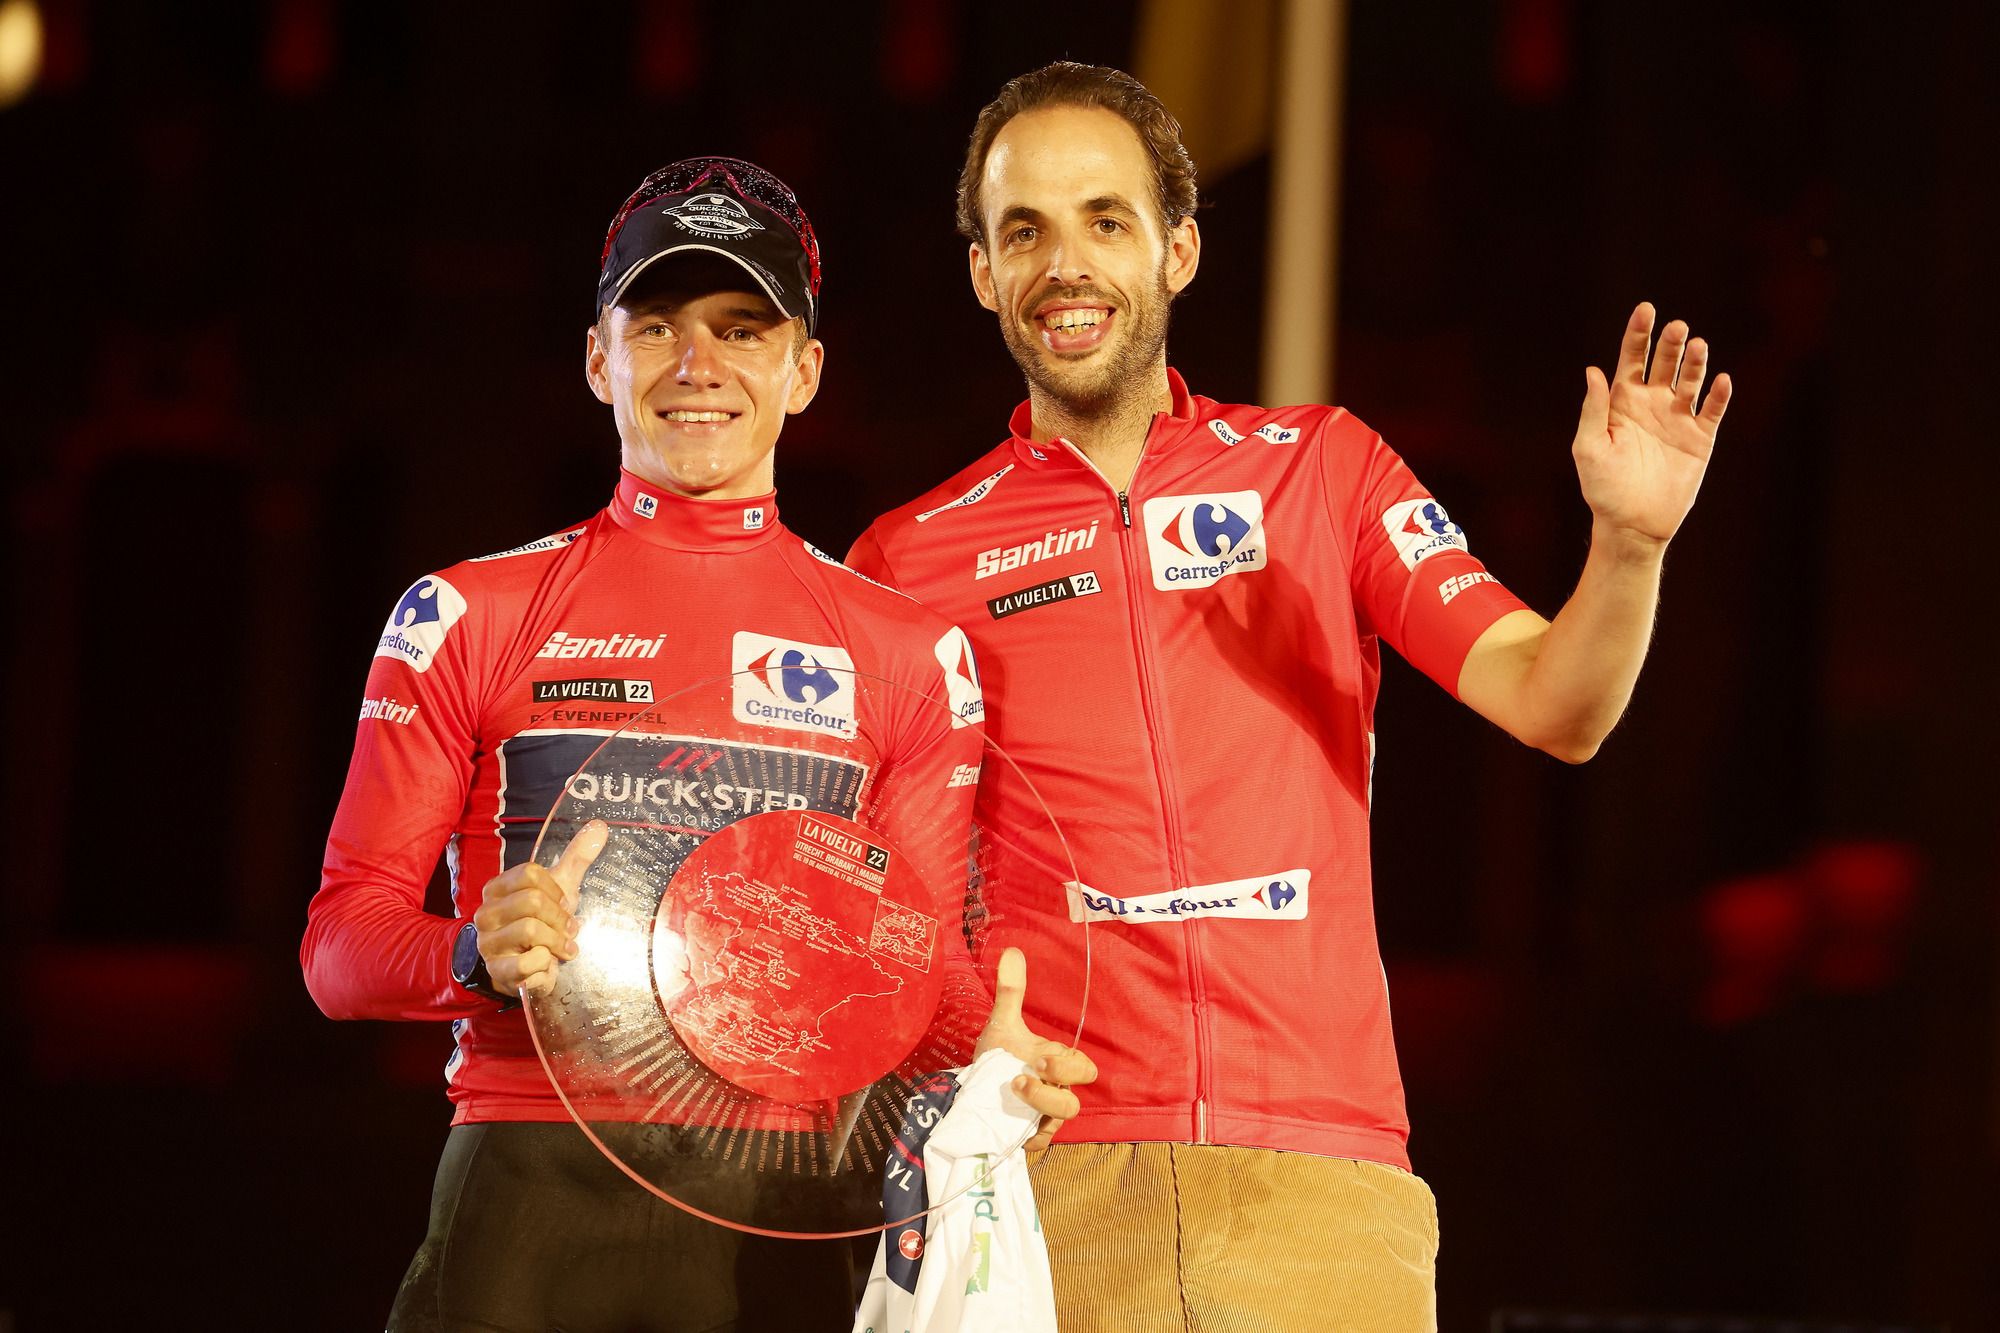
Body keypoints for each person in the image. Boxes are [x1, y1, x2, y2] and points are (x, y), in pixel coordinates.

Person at [846, 63, 1732, 1332]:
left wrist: (1629, 547)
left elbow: (1556, 703)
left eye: (1106, 220)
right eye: (1023, 230)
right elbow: (878, 902)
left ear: (1180, 250)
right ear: (982, 271)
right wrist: (945, 1040)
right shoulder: (905, 555)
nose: (1065, 265)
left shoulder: (1322, 468)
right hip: (1044, 1175)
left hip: (1321, 1175)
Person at [302, 156, 1091, 1333]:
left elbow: (918, 974)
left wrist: (988, 1052)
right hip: (526, 1196)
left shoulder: (908, 655)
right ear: (595, 357)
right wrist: (471, 953)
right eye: (656, 324)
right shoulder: (464, 612)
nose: (696, 366)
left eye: (741, 328)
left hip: (779, 1210)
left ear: (804, 371)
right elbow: (338, 950)